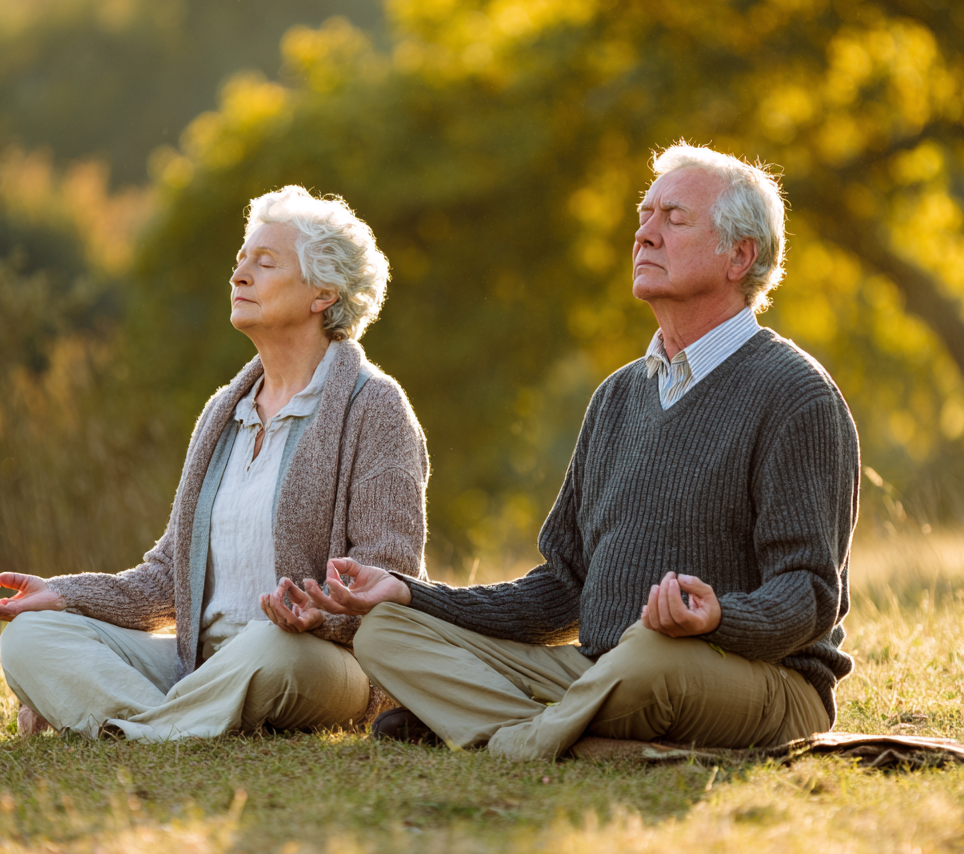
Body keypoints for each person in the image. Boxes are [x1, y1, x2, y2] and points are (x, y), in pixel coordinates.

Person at [295, 143, 860, 761]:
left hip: (750, 677)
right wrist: (411, 594)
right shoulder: (618, 397)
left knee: (649, 654)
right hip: (601, 671)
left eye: (673, 219)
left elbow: (808, 595)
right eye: (643, 217)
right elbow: (562, 589)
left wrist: (717, 618)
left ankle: (514, 735)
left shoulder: (796, 395)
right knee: (385, 635)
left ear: (740, 255)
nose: (644, 234)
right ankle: (576, 735)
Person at [0, 186, 428, 742]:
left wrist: (320, 617)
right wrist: (64, 595)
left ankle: (127, 724)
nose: (239, 275)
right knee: (31, 637)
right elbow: (167, 579)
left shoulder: (374, 406)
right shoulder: (221, 414)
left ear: (323, 293)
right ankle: (167, 726)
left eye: (264, 262)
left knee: (267, 645)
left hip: (315, 662)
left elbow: (388, 574)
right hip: (199, 666)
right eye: (240, 261)